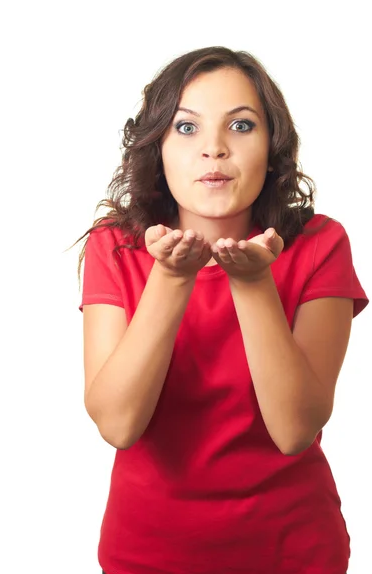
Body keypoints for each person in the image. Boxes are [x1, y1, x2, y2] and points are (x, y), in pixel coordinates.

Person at [72, 47, 369, 573]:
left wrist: (253, 283)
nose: (214, 149)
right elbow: (117, 423)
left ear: (274, 148)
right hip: (146, 555)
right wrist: (172, 277)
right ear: (157, 147)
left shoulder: (321, 243)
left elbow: (295, 428)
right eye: (187, 129)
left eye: (241, 125)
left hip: (294, 554)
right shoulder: (114, 248)